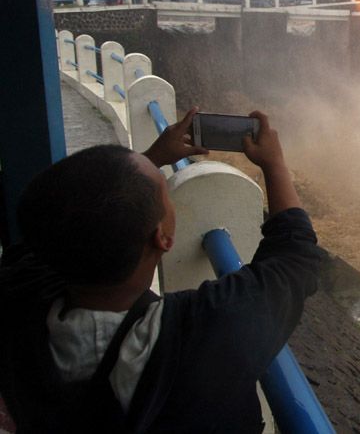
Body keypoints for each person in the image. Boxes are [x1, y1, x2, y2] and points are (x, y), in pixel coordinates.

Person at [0, 109, 326, 432]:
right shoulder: (204, 332)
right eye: (164, 196)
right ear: (163, 238)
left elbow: (55, 220)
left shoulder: (20, 295)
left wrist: (154, 156)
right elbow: (296, 255)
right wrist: (274, 162)